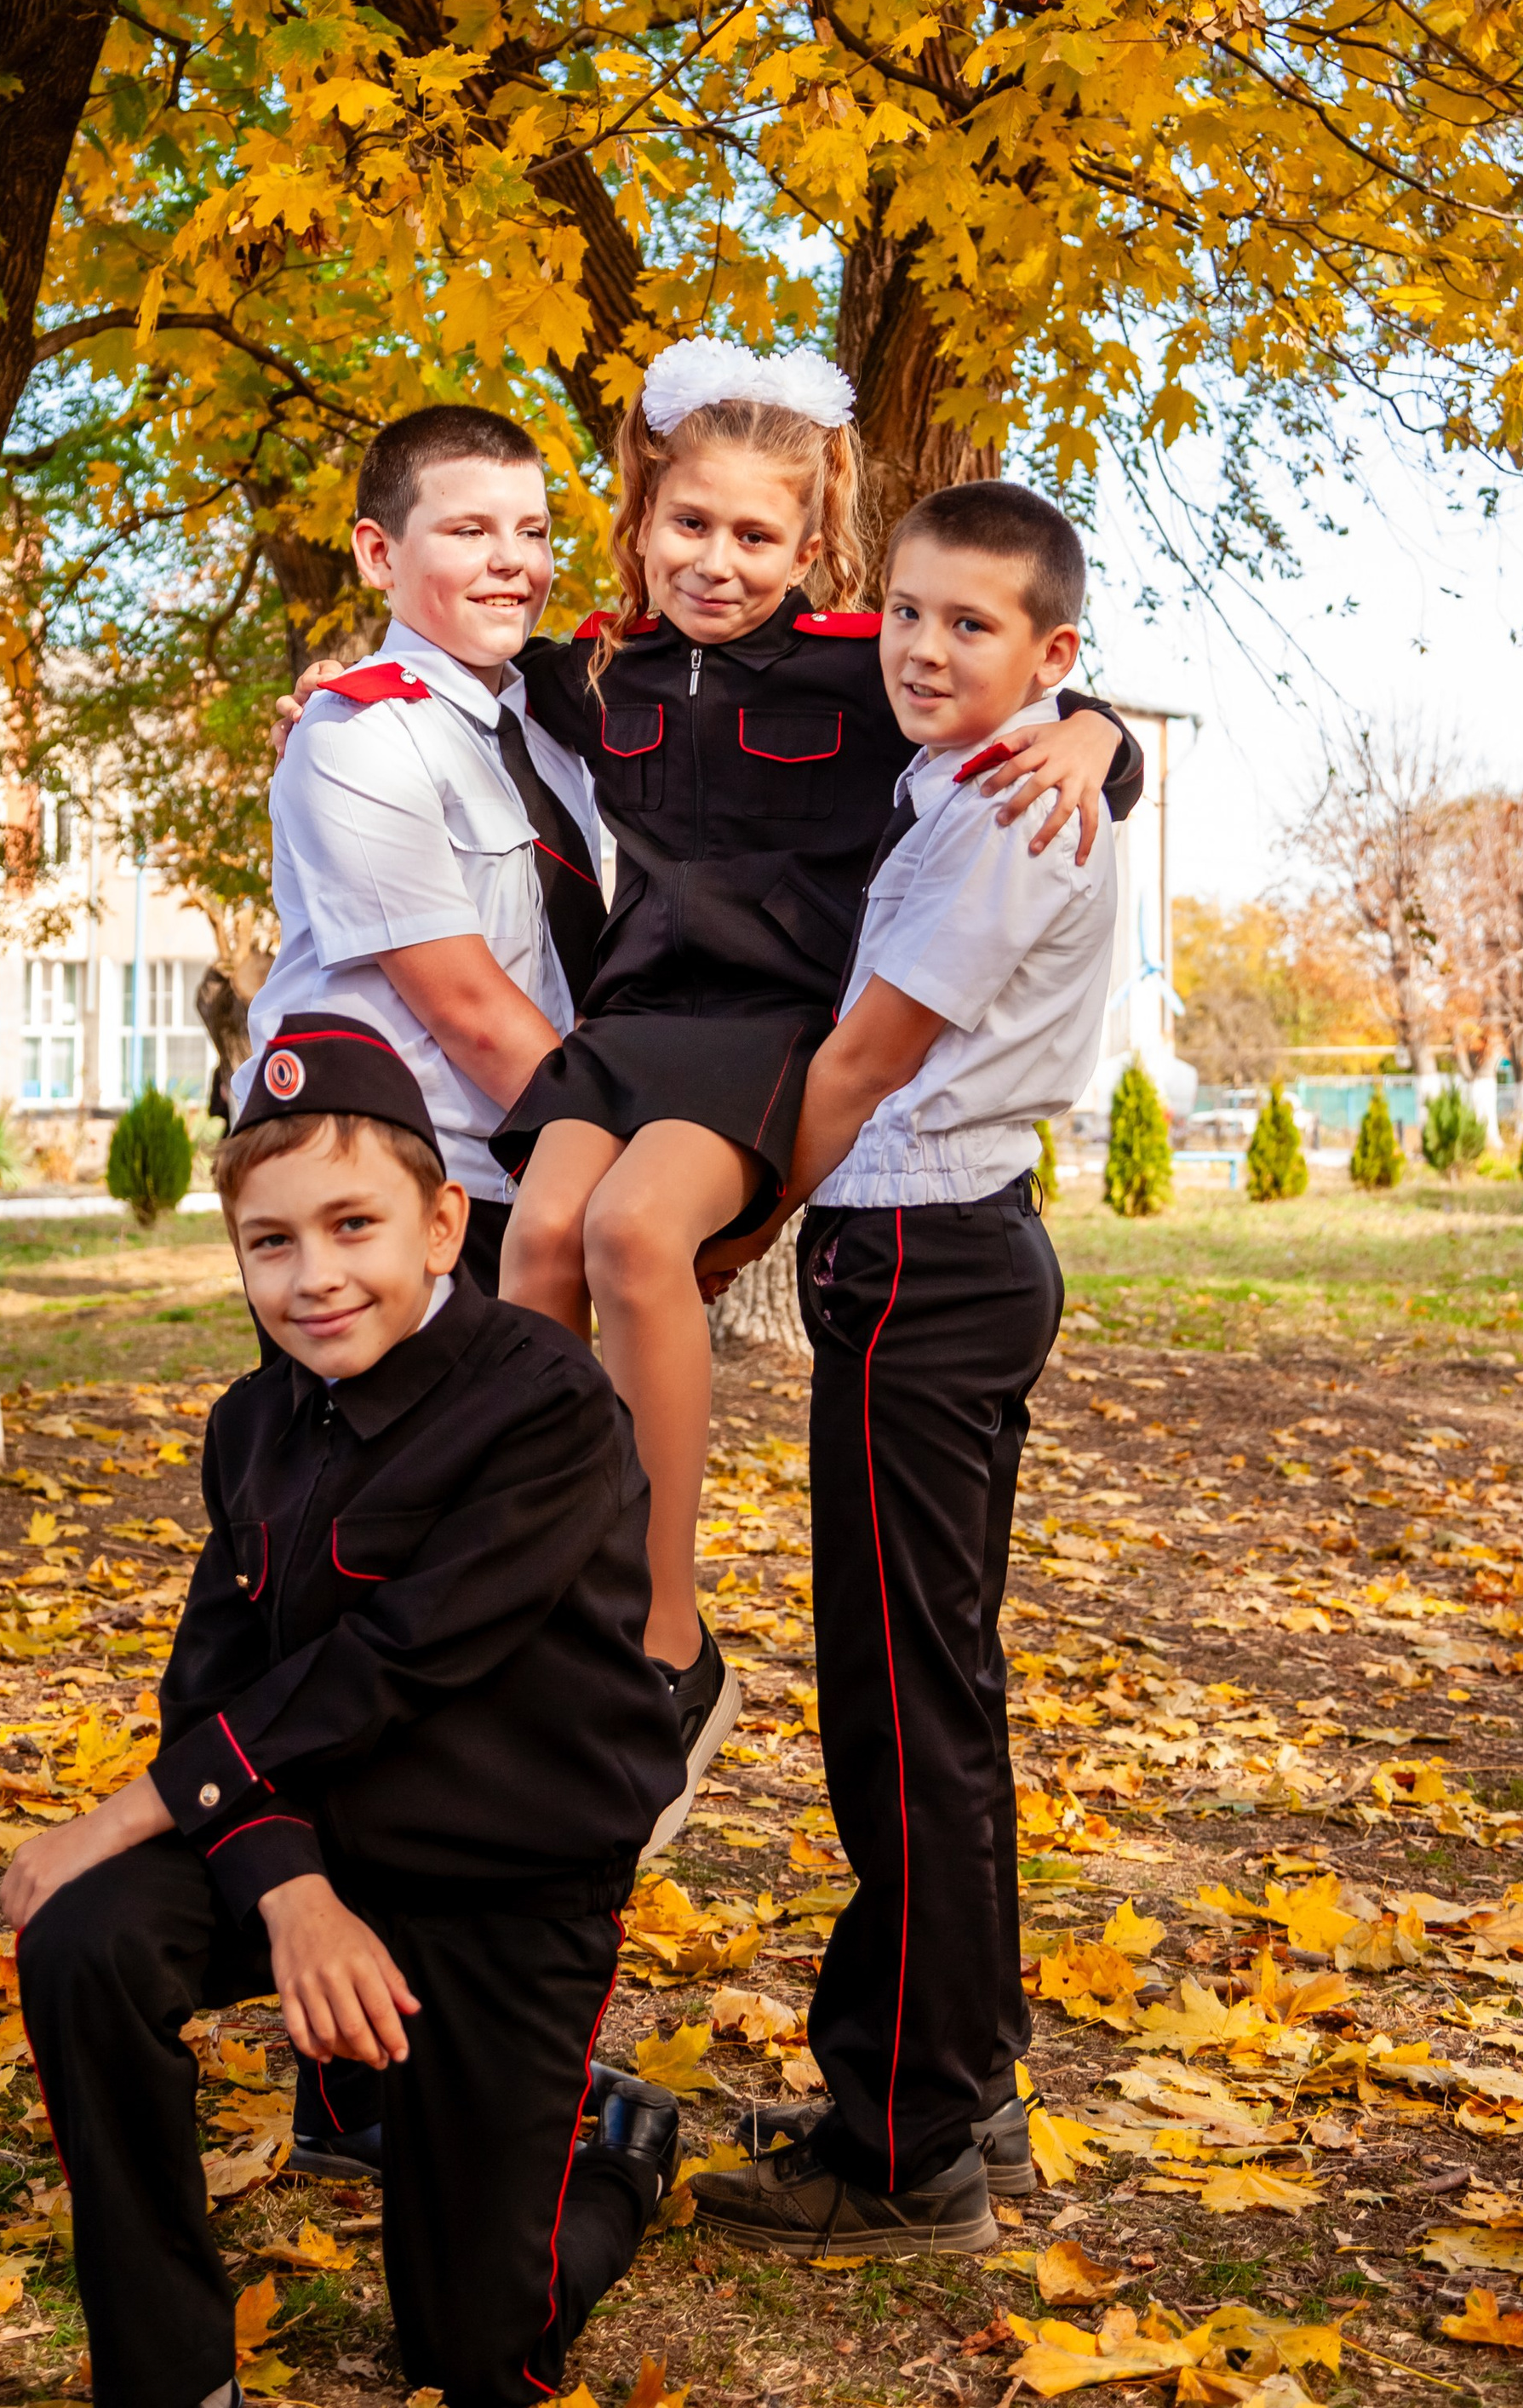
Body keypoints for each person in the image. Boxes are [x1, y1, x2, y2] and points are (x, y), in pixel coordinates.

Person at [490, 340, 1142, 1843]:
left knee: (641, 1242)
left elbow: (1046, 707)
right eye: (688, 526)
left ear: (811, 544)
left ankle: (665, 1639)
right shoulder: (597, 670)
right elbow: (446, 663)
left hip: (778, 1022)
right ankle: (534, 1588)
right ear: (642, 518)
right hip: (638, 1014)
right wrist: (335, 683)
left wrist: (1101, 736)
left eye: (755, 536)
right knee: (539, 1245)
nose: (716, 562)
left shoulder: (867, 661)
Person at [5, 1016, 684, 2408]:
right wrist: (292, 1891)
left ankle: (615, 2158)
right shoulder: (252, 1424)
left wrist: (142, 1806)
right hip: (327, 1837)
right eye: (271, 1242)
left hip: (510, 1880)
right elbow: (214, 1682)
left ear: (442, 1226)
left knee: (474, 2347)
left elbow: (395, 1657)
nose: (314, 1278)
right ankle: (174, 2376)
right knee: (87, 1937)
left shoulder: (549, 1403)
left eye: (353, 1225)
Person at [686, 482, 1125, 2262]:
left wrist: (724, 1232)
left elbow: (861, 1062)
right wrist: (1094, 735)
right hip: (952, 1250)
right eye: (911, 618)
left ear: (1049, 655)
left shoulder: (1000, 818)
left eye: (973, 627)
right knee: (935, 1689)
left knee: (901, 1711)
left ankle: (902, 2140)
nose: (927, 651)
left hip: (920, 1265)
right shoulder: (978, 774)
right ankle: (969, 2077)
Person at [243, 403, 604, 1300]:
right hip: (402, 1183)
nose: (512, 561)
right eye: (468, 530)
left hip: (535, 1167)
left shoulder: (553, 733)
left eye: (533, 530)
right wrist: (622, 1172)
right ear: (378, 555)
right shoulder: (358, 735)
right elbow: (470, 1010)